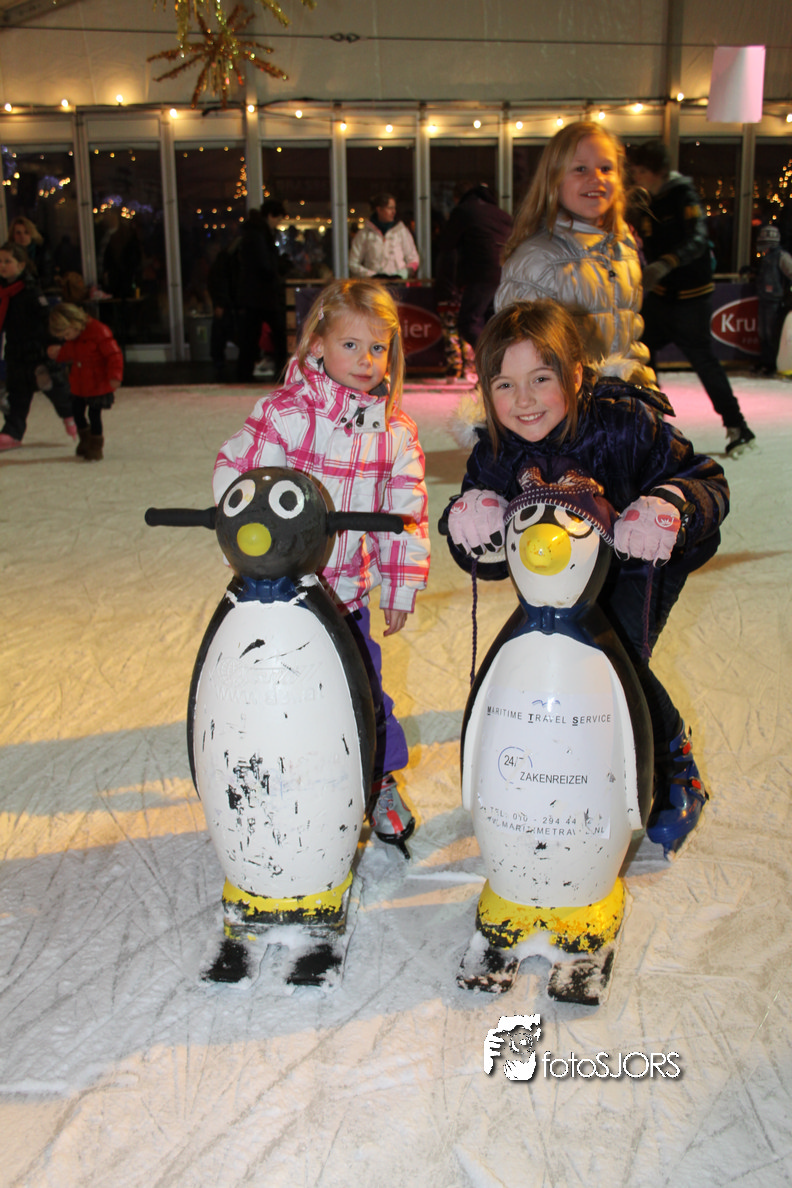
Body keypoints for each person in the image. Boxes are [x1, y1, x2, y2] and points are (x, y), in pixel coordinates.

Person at [442, 300, 729, 855]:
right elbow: (486, 558)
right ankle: (552, 754)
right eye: (505, 385)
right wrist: (472, 523)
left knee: (616, 657)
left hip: (636, 567)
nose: (524, 401)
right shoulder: (495, 450)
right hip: (553, 579)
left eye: (541, 379)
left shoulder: (624, 423)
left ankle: (675, 763)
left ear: (575, 374)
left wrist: (670, 504)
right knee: (544, 655)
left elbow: (706, 480)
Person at [213, 278, 430, 850]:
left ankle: (379, 780)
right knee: (281, 698)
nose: (366, 360)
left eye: (378, 348)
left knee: (364, 696)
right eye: (350, 345)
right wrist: (247, 522)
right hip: (280, 598)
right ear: (318, 345)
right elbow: (238, 471)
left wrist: (400, 586)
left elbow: (404, 514)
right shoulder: (284, 414)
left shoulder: (395, 431)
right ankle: (279, 778)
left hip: (347, 600)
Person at [495, 122, 655, 387]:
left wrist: (643, 390)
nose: (596, 178)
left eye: (606, 169)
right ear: (554, 179)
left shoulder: (623, 249)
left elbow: (630, 340)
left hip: (618, 404)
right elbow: (518, 359)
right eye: (580, 169)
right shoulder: (538, 260)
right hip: (569, 405)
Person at [627, 139, 756, 455]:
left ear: (654, 171)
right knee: (641, 351)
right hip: (662, 296)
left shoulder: (682, 195)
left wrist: (666, 263)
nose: (635, 177)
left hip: (691, 298)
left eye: (639, 171)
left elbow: (698, 240)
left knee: (703, 360)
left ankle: (738, 426)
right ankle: (653, 422)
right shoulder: (648, 201)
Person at [0, 241, 76, 451]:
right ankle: (12, 432)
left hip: (37, 351)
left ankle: (71, 415)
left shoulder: (31, 292)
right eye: (0, 261)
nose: (2, 266)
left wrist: (54, 343)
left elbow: (46, 319)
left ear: (21, 265)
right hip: (15, 352)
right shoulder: (3, 292)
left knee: (54, 387)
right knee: (17, 393)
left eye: (7, 261)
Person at [436, 181, 513, 352]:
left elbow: (446, 244)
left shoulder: (464, 211)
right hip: (506, 271)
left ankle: (492, 359)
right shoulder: (501, 214)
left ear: (457, 198)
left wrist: (451, 279)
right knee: (493, 322)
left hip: (482, 271)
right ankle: (501, 359)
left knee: (468, 322)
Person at [47, 303, 123, 462]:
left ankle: (95, 445)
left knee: (94, 414)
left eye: (66, 334)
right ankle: (85, 440)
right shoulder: (73, 338)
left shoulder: (98, 331)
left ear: (74, 324)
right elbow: (70, 351)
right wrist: (58, 353)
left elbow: (113, 355)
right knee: (77, 412)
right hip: (79, 382)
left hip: (97, 382)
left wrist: (115, 375)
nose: (65, 338)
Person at [235, 201, 289, 382]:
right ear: (271, 216)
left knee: (250, 336)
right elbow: (264, 265)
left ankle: (245, 373)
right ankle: (280, 372)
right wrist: (278, 270)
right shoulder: (260, 234)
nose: (278, 224)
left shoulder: (254, 232)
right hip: (262, 294)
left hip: (254, 295)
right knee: (277, 334)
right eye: (278, 219)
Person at [749, 224, 792, 376]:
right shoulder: (766, 258)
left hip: (776, 301)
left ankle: (771, 363)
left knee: (771, 333)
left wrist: (788, 293)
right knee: (763, 333)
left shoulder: (781, 257)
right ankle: (765, 361)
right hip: (765, 298)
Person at [349, 192, 419, 280]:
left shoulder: (401, 231)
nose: (393, 212)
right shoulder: (364, 234)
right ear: (379, 209)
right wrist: (372, 275)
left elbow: (413, 258)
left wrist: (403, 273)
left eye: (394, 208)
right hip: (375, 284)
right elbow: (353, 263)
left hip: (399, 283)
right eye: (390, 208)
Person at [9, 216, 53, 288]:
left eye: (26, 232)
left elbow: (47, 278)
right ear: (13, 235)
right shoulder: (9, 253)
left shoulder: (41, 252)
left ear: (31, 234)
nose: (22, 236)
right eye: (18, 233)